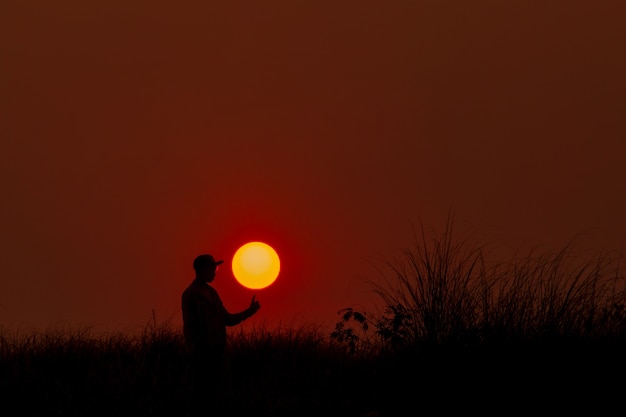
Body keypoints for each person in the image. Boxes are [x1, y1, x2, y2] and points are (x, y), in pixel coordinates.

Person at [181, 253, 261, 411]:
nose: (215, 272)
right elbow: (190, 327)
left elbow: (228, 319)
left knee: (213, 394)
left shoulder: (212, 293)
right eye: (213, 268)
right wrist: (195, 351)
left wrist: (249, 312)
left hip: (216, 353)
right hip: (202, 355)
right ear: (202, 270)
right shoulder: (191, 295)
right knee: (200, 395)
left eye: (215, 268)